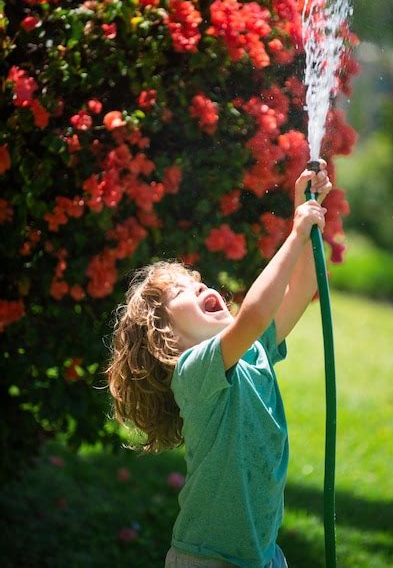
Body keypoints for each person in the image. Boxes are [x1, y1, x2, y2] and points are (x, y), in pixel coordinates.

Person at [107, 161, 332, 568]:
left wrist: (304, 214)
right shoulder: (192, 372)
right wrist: (295, 234)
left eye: (198, 281)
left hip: (259, 556)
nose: (201, 285)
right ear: (166, 337)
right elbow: (254, 315)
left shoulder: (254, 353)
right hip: (205, 558)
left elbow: (300, 290)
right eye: (181, 291)